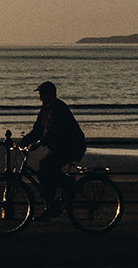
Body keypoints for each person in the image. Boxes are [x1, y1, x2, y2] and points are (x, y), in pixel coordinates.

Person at [18, 81, 86, 219]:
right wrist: (23, 141)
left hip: (72, 146)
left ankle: (71, 186)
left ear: (52, 94)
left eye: (43, 94)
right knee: (43, 174)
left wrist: (38, 144)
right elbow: (38, 129)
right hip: (58, 147)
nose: (40, 97)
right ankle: (51, 206)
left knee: (46, 164)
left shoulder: (59, 108)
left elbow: (53, 131)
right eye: (39, 94)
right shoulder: (45, 109)